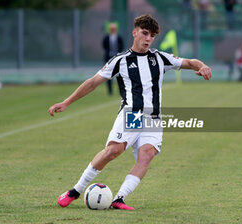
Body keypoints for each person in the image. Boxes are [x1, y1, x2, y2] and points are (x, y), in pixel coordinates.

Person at [48, 14, 212, 210]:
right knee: (113, 151)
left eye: (152, 35)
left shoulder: (160, 58)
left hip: (153, 118)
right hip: (132, 115)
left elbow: (189, 62)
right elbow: (92, 83)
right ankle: (75, 191)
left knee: (147, 155)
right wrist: (67, 102)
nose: (148, 38)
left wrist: (203, 66)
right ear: (134, 33)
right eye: (144, 33)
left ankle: (119, 199)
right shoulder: (121, 60)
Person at [102, 22, 124, 95]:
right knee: (108, 75)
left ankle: (121, 91)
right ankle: (110, 91)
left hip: (117, 58)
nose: (113, 30)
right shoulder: (106, 37)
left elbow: (121, 46)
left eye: (114, 29)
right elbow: (104, 46)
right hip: (108, 58)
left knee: (119, 75)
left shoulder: (119, 37)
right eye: (111, 29)